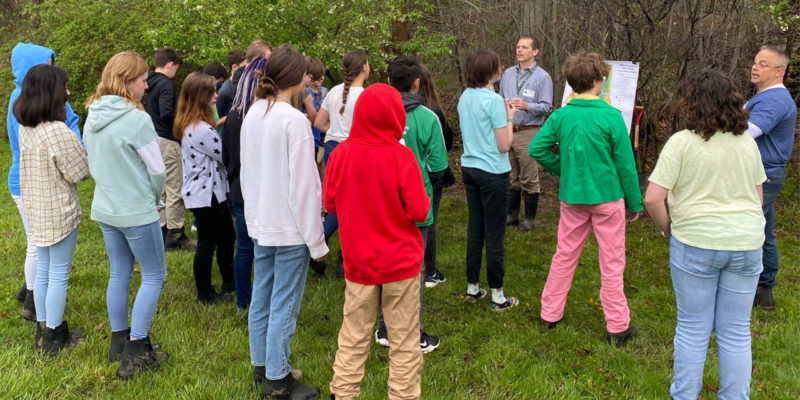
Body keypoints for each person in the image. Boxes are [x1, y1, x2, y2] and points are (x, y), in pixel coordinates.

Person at [645, 70, 766, 399]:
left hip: (695, 244)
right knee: (736, 331)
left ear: (691, 103)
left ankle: (684, 395)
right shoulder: (747, 143)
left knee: (693, 328)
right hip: (746, 243)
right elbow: (758, 198)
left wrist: (667, 227)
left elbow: (654, 197)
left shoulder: (681, 143)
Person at [529, 52, 641, 345]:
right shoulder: (610, 116)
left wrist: (563, 169)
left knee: (564, 255)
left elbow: (538, 149)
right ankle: (617, 326)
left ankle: (550, 313)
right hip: (607, 199)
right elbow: (626, 165)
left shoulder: (561, 115)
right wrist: (635, 202)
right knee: (612, 262)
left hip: (574, 198)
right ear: (598, 81)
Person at [326, 82, 429, 400]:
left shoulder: (341, 154)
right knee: (404, 341)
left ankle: (342, 394)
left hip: (359, 263)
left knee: (353, 336)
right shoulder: (402, 157)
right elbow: (420, 209)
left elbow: (330, 203)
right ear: (396, 117)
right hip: (400, 264)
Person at [240, 45, 327, 400]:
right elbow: (305, 188)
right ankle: (276, 380)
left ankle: (263, 364)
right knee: (284, 304)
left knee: (263, 296)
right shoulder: (293, 122)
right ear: (297, 79)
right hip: (289, 228)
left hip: (262, 221)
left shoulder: (253, 114)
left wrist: (253, 219)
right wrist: (317, 242)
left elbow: (248, 175)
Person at [84, 51, 168, 379]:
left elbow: (92, 160)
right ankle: (136, 347)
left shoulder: (93, 114)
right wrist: (154, 197)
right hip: (136, 210)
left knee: (119, 272)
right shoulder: (137, 119)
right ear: (125, 81)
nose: (147, 85)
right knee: (154, 275)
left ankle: (118, 341)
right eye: (143, 79)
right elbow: (157, 171)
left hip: (106, 208)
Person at [373, 55, 448, 354]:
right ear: (417, 83)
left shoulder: (374, 116)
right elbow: (439, 168)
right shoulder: (428, 118)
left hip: (380, 204)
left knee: (385, 266)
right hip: (416, 207)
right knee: (412, 271)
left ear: (390, 81)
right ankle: (409, 334)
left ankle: (383, 327)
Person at [14, 64, 90, 355]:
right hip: (59, 211)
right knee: (58, 274)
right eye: (65, 87)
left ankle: (44, 329)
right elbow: (79, 172)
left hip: (36, 207)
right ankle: (55, 336)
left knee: (45, 270)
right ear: (52, 92)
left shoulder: (26, 126)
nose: (68, 92)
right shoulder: (58, 131)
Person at [7, 42, 82, 322]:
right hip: (43, 190)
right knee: (49, 263)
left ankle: (41, 316)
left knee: (42, 255)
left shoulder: (24, 105)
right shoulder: (41, 117)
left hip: (33, 184)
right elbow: (75, 167)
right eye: (48, 64)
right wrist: (74, 146)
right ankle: (47, 322)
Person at [456, 50, 519, 311]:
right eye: (498, 65)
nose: (502, 67)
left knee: (476, 228)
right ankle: (498, 296)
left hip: (470, 168)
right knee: (494, 233)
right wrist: (511, 119)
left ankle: (473, 288)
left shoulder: (464, 97)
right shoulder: (493, 101)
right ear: (489, 70)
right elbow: (505, 145)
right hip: (493, 171)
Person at [174, 72, 236, 305]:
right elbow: (224, 156)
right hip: (206, 195)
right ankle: (206, 293)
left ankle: (228, 282)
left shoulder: (193, 125)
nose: (216, 96)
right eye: (212, 92)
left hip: (205, 193)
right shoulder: (201, 130)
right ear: (201, 97)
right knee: (209, 243)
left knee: (225, 236)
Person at [746, 45, 797, 311]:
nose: (755, 67)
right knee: (764, 231)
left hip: (763, 176)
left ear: (780, 71)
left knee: (748, 228)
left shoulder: (774, 100)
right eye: (755, 62)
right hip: (765, 174)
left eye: (763, 64)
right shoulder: (767, 96)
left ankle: (750, 285)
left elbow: (747, 132)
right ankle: (764, 290)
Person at [313, 50, 370, 278]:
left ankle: (321, 242)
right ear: (364, 67)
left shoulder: (334, 91)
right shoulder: (365, 95)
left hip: (333, 150)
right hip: (355, 153)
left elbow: (318, 122)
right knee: (355, 208)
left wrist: (335, 132)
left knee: (337, 204)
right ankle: (341, 257)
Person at [222, 56, 268, 312]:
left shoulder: (233, 115)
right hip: (253, 189)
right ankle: (252, 302)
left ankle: (244, 302)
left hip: (238, 186)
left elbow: (226, 156)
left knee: (245, 247)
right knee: (256, 248)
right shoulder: (259, 118)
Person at [499, 35, 553, 232]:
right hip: (508, 129)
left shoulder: (542, 77)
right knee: (511, 175)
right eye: (517, 46)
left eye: (524, 47)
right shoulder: (507, 74)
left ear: (535, 52)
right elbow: (499, 98)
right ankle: (512, 215)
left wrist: (527, 105)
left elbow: (547, 107)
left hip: (528, 132)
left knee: (529, 177)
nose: (519, 50)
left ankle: (529, 219)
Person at [145, 47, 194, 251]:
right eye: (176, 68)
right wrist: (180, 126)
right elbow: (166, 112)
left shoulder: (148, 81)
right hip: (167, 137)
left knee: (162, 188)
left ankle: (163, 229)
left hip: (154, 138)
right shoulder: (165, 83)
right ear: (170, 64)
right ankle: (175, 235)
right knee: (175, 188)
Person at [417, 65, 455, 287]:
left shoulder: (430, 111)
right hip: (429, 174)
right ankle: (429, 271)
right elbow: (443, 146)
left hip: (410, 173)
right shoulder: (432, 113)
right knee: (428, 220)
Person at [305, 56, 328, 155]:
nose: (316, 81)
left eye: (319, 78)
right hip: (306, 140)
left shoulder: (325, 92)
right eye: (313, 78)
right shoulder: (303, 92)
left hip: (319, 140)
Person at [215, 49, 246, 121]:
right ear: (235, 67)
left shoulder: (245, 84)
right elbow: (220, 117)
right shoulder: (224, 91)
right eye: (245, 66)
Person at [202, 61, 229, 131]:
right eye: (220, 83)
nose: (221, 86)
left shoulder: (213, 100)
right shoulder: (202, 102)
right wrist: (219, 123)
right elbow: (203, 131)